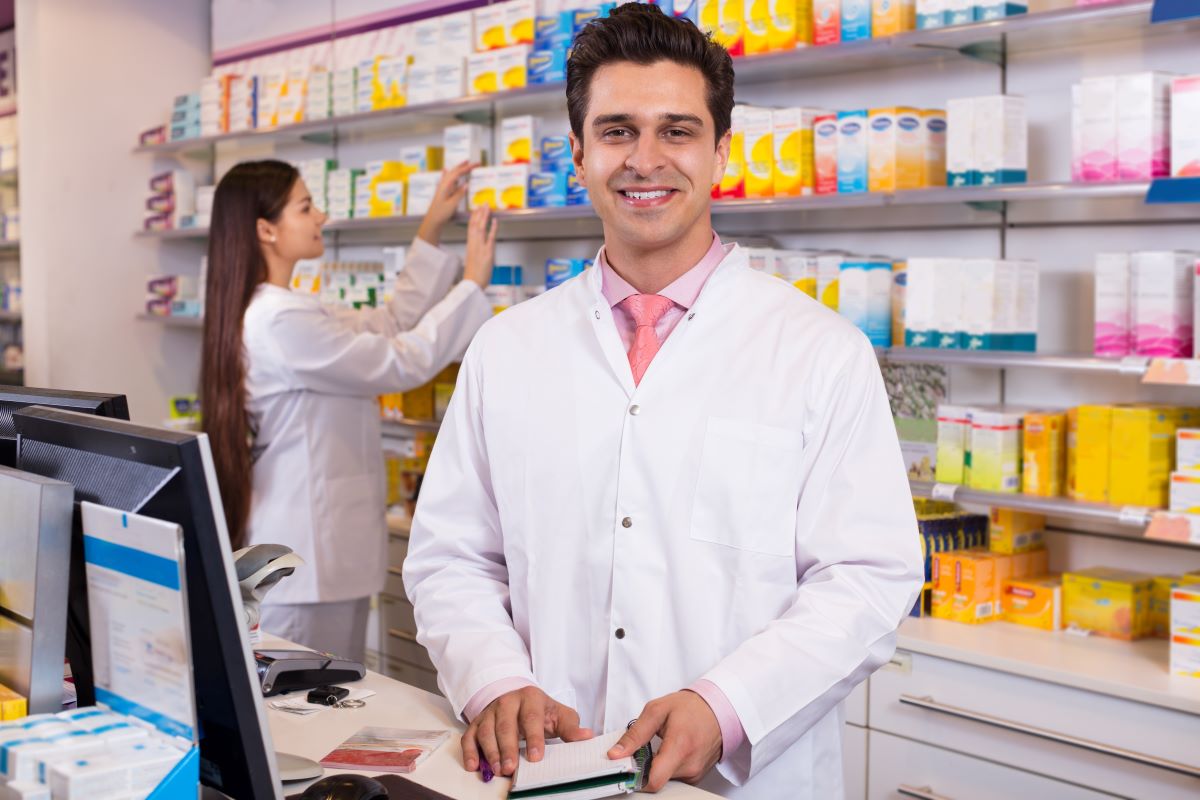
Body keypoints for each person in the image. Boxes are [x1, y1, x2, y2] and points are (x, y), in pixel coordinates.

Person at [404, 5, 923, 798]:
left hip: (743, 781)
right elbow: (451, 557)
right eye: (617, 132)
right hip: (551, 766)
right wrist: (492, 682)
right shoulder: (508, 350)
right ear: (577, 151)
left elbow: (866, 578)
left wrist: (727, 706)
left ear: (720, 151)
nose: (645, 160)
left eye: (677, 131)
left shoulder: (820, 352)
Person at [201, 159, 494, 663]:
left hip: (318, 554)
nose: (322, 217)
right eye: (306, 206)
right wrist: (470, 284)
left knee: (316, 705)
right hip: (308, 562)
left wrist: (430, 228)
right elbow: (402, 361)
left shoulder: (282, 308)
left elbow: (388, 321)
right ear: (265, 229)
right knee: (306, 715)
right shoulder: (280, 320)